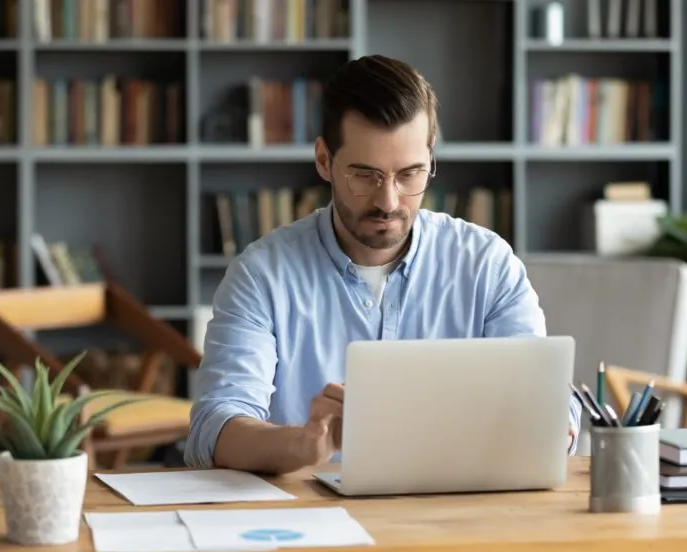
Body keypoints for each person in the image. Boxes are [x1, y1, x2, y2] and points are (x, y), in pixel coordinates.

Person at [184, 54, 581, 474]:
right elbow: (214, 427)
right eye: (365, 175)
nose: (388, 202)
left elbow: (546, 399)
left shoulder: (487, 265)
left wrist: (554, 421)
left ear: (431, 163)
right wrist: (299, 446)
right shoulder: (262, 275)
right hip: (312, 522)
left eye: (410, 174)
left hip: (459, 517)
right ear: (324, 161)